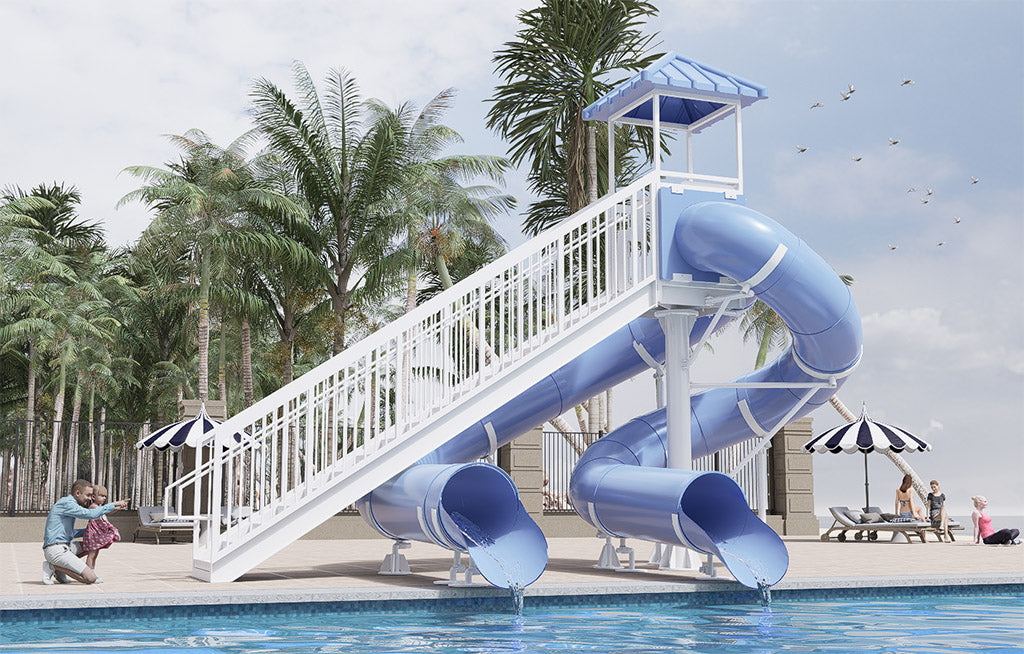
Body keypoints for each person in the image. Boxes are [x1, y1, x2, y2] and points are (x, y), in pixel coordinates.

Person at [42, 479, 128, 585]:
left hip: (65, 546)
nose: (89, 499)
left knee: (92, 545)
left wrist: (92, 532)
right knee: (90, 578)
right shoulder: (67, 503)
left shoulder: (69, 504)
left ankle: (59, 569)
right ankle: (53, 566)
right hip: (56, 550)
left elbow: (71, 533)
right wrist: (114, 504)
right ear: (77, 493)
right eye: (87, 495)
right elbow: (90, 514)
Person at [80, 484, 121, 573]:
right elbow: (104, 510)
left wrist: (117, 508)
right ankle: (88, 573)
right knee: (91, 555)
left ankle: (92, 571)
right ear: (94, 497)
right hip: (93, 534)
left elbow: (107, 512)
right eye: (102, 496)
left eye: (105, 496)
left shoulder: (99, 507)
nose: (104, 498)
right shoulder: (94, 506)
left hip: (96, 534)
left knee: (95, 554)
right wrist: (115, 505)